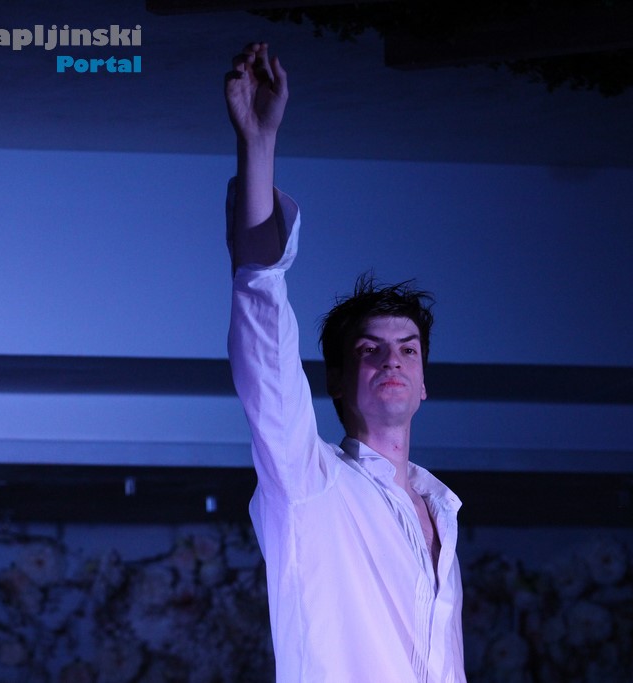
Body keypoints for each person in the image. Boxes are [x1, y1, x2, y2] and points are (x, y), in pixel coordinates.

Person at [225, 42, 466, 682]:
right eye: (369, 350)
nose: (393, 360)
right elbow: (264, 339)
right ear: (335, 379)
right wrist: (258, 147)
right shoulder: (312, 484)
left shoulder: (441, 508)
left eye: (408, 349)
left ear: (424, 383)